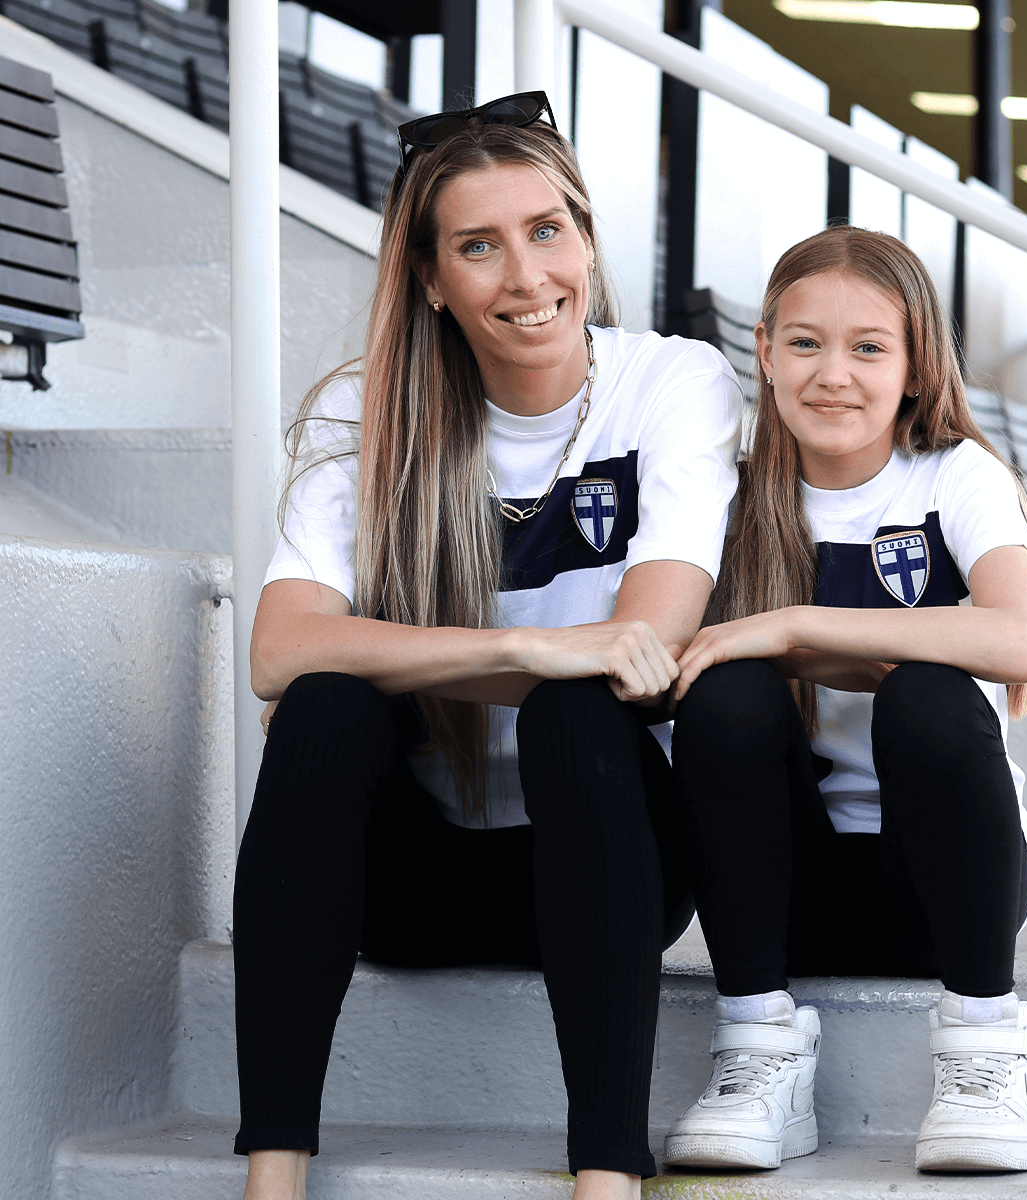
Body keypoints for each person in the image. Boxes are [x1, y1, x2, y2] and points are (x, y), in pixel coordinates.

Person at [233, 92, 742, 1200]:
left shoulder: (673, 381)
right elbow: (278, 650)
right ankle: (273, 1175)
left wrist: (482, 663)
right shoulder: (365, 411)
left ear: (587, 239)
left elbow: (648, 637)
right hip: (410, 885)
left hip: (610, 862)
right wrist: (537, 650)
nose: (526, 276)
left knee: (575, 711)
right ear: (429, 278)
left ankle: (606, 1173)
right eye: (478, 246)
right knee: (322, 706)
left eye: (547, 230)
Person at [662, 225, 1027, 1175]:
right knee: (727, 691)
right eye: (805, 343)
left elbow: (1019, 637)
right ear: (764, 350)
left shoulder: (955, 476)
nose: (833, 374)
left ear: (916, 366)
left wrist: (794, 626)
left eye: (869, 348)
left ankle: (986, 1044)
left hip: (949, 894)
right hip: (780, 896)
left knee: (926, 694)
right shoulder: (724, 495)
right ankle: (757, 1045)